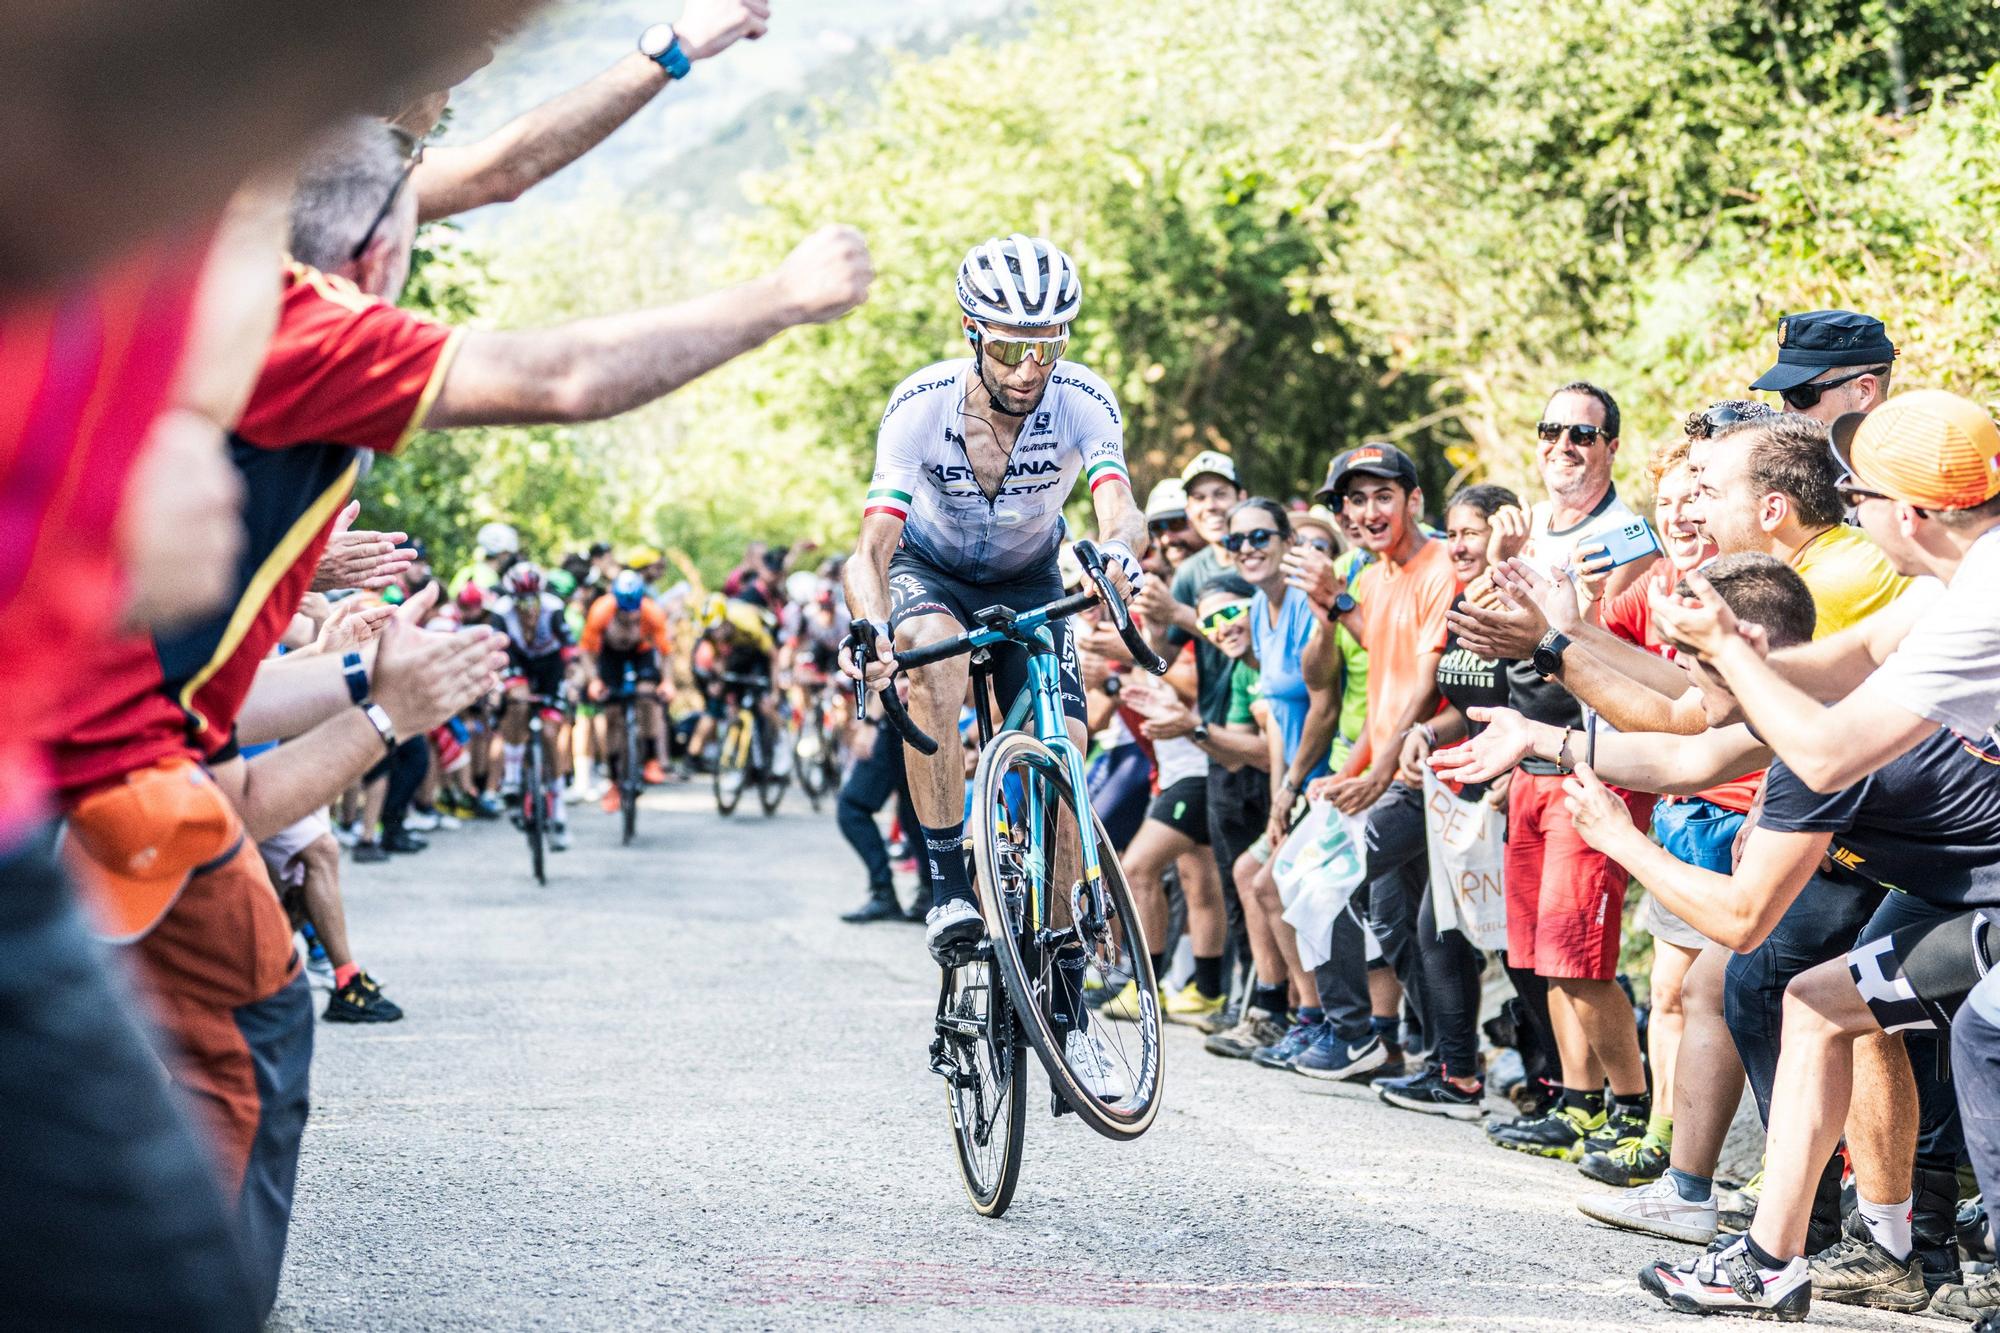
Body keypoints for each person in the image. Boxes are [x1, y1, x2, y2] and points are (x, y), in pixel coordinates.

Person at [841, 234, 1146, 1099]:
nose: (1029, 366)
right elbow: (871, 546)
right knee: (931, 670)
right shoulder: (921, 405)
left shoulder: (1083, 398)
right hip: (929, 571)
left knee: (1068, 755)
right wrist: (872, 631)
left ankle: (1063, 992)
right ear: (974, 332)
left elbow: (1121, 508)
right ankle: (945, 884)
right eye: (1011, 346)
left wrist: (1117, 555)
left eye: (1048, 345)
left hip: (1029, 576)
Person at [1372, 482, 1519, 1117]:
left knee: (1503, 944)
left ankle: (1532, 1076)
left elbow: (1538, 699)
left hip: (1514, 781)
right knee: (1440, 926)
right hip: (1462, 775)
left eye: (1473, 533)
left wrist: (1518, 771)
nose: (1458, 545)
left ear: (1505, 534)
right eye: (1452, 532)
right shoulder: (1465, 596)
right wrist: (1427, 731)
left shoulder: (1521, 596)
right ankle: (1456, 1067)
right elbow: (1470, 704)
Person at [582, 568, 676, 810]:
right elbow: (588, 653)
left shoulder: (652, 613)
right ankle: (614, 780)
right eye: (624, 614)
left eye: (633, 614)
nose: (629, 619)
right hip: (610, 657)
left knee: (647, 696)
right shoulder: (601, 611)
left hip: (641, 654)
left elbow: (666, 653)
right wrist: (594, 680)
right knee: (612, 716)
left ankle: (651, 757)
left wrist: (667, 682)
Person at [1749, 309, 1895, 424]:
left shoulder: (1907, 459)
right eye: (1784, 393)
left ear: (1864, 392)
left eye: (1802, 395)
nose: (1785, 411)